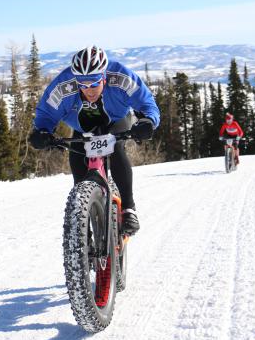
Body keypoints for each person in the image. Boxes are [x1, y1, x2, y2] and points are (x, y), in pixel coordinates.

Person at [29, 45, 160, 235]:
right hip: (82, 128)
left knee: (116, 150)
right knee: (77, 161)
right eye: (82, 85)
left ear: (104, 77)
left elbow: (147, 102)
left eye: (94, 83)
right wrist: (41, 132)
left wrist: (148, 121)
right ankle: (81, 227)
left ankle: (128, 208)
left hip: (116, 120)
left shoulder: (120, 77)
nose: (88, 90)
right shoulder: (64, 85)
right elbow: (46, 114)